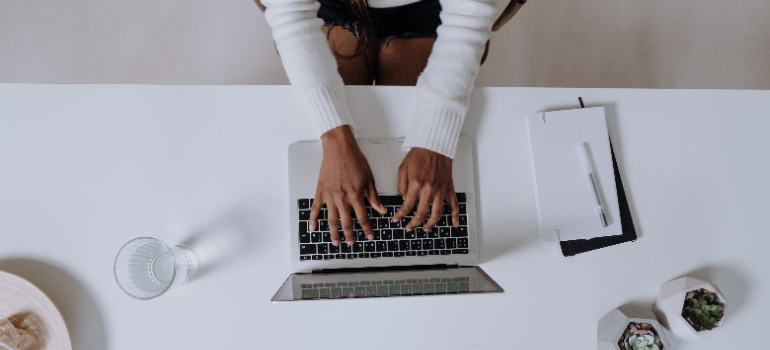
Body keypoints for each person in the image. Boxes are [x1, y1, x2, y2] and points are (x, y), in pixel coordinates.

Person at [262, 0, 497, 247]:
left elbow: (470, 11)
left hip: (428, 6)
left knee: (413, 181)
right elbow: (290, 13)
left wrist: (435, 144)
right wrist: (335, 140)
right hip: (333, 5)